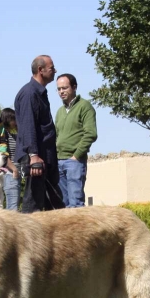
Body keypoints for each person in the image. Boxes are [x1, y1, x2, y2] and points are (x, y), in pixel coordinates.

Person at [14, 56, 64, 213]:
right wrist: (33, 156)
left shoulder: (40, 92)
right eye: (51, 68)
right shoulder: (29, 93)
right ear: (40, 70)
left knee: (53, 205)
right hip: (36, 159)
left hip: (45, 156)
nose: (54, 71)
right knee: (33, 206)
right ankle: (25, 238)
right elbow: (28, 126)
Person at [55, 74, 97, 207]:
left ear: (74, 87)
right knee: (63, 206)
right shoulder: (60, 111)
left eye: (65, 88)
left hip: (74, 161)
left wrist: (76, 156)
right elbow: (56, 135)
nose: (61, 91)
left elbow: (91, 133)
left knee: (76, 204)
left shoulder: (84, 106)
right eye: (59, 89)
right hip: (59, 161)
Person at [0, 108, 22, 211]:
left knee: (13, 207)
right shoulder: (3, 133)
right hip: (10, 173)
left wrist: (18, 127)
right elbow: (3, 155)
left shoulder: (11, 134)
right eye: (14, 119)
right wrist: (14, 169)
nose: (16, 121)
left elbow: (22, 139)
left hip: (14, 173)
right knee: (13, 209)